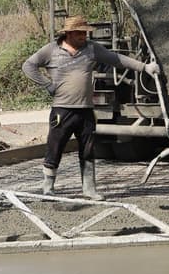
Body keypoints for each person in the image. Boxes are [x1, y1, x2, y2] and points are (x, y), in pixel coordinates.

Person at [22, 14, 160, 200]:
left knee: (88, 150)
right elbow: (28, 66)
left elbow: (116, 59)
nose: (83, 36)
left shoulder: (91, 49)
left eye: (85, 33)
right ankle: (48, 187)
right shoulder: (51, 51)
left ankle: (89, 189)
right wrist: (47, 85)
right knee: (55, 147)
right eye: (80, 33)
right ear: (69, 33)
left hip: (86, 110)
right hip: (62, 110)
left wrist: (144, 68)